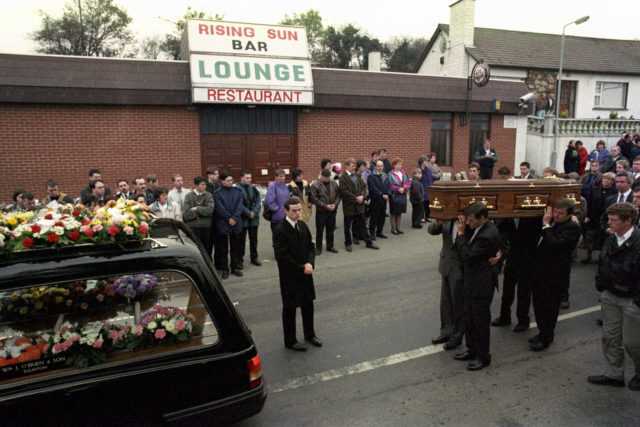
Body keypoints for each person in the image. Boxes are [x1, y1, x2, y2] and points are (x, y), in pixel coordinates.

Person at [587, 203, 640, 391]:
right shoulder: (611, 238)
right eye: (608, 218)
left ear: (628, 221)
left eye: (613, 220)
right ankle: (614, 374)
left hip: (632, 299)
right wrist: (601, 284)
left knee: (633, 342)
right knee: (610, 337)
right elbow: (603, 262)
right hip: (610, 295)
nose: (609, 223)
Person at [452, 202, 501, 370]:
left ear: (482, 218)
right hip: (471, 281)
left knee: (480, 322)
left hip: (481, 283)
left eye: (471, 220)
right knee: (469, 319)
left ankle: (483, 356)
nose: (468, 223)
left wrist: (460, 234)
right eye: (467, 220)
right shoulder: (478, 227)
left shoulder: (488, 234)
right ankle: (471, 350)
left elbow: (468, 255)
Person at [529, 199, 581, 351]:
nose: (556, 215)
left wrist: (545, 225)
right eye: (555, 212)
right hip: (540, 271)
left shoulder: (572, 228)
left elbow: (554, 243)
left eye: (561, 213)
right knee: (538, 304)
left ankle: (546, 336)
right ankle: (542, 332)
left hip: (555, 274)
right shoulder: (555, 223)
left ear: (570, 214)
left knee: (550, 307)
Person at [273, 197, 322, 352]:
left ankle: (310, 334)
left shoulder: (302, 226)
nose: (298, 213)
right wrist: (302, 267)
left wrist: (310, 263)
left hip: (306, 273)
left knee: (308, 305)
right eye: (294, 211)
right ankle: (290, 340)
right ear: (286, 211)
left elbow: (311, 247)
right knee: (290, 308)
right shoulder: (280, 230)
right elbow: (282, 256)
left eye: (299, 210)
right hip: (290, 276)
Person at [492, 216, 541, 332]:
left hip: (528, 258)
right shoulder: (508, 218)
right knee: (507, 288)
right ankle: (505, 316)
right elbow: (499, 230)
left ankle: (523, 320)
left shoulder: (532, 218)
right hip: (512, 256)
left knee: (524, 290)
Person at [428, 218, 465, 351]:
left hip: (461, 267)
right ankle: (446, 332)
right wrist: (437, 222)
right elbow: (432, 230)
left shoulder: (468, 219)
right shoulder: (447, 216)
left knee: (458, 303)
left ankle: (457, 335)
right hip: (446, 264)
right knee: (446, 302)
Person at [339, 158, 379, 252]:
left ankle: (368, 242)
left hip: (359, 205)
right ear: (347, 166)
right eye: (352, 166)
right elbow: (344, 192)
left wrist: (362, 196)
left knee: (363, 225)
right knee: (347, 226)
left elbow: (363, 187)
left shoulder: (357, 176)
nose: (354, 168)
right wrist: (357, 198)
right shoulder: (343, 178)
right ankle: (348, 244)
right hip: (349, 206)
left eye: (354, 166)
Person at [213, 172, 244, 278]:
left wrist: (234, 218)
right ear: (222, 181)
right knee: (223, 248)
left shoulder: (238, 191)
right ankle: (224, 268)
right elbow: (219, 208)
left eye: (231, 180)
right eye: (228, 180)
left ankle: (234, 267)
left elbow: (240, 206)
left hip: (236, 223)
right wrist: (228, 218)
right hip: (223, 223)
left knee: (235, 247)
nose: (230, 182)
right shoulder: (217, 193)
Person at [582, 172, 617, 263]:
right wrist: (587, 215)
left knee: (603, 237)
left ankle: (601, 256)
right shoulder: (594, 189)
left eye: (608, 179)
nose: (606, 180)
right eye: (604, 178)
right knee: (590, 236)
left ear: (612, 182)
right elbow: (589, 203)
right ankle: (588, 255)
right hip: (593, 216)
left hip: (606, 218)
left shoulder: (614, 192)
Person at [310, 169, 341, 255]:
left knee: (331, 229)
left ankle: (330, 246)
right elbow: (314, 199)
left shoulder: (334, 183)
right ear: (321, 176)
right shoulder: (315, 185)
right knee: (320, 230)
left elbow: (339, 195)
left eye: (329, 177)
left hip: (332, 210)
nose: (328, 179)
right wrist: (325, 206)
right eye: (326, 177)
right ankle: (318, 248)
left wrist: (335, 204)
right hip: (321, 211)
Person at [182, 176, 214, 259]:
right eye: (202, 185)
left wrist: (196, 209)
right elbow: (186, 214)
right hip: (193, 227)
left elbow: (210, 210)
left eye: (205, 185)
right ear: (196, 185)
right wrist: (202, 212)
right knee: (195, 250)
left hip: (206, 227)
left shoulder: (208, 196)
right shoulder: (189, 196)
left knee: (207, 250)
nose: (205, 186)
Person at [237, 170, 262, 267]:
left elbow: (259, 201)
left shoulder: (254, 189)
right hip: (243, 219)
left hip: (254, 219)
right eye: (247, 178)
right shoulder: (237, 189)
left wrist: (254, 213)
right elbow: (239, 204)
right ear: (241, 178)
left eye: (250, 178)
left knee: (254, 239)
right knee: (241, 240)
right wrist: (248, 213)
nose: (249, 180)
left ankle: (254, 258)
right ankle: (240, 260)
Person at [367, 160, 390, 239]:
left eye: (381, 166)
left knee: (382, 217)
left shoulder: (385, 175)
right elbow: (373, 188)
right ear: (375, 167)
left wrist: (388, 194)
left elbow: (388, 186)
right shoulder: (371, 176)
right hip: (375, 200)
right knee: (374, 217)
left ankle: (379, 232)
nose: (380, 168)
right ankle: (372, 233)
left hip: (384, 200)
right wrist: (382, 195)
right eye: (378, 166)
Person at [388, 158, 410, 234]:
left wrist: (404, 188)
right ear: (394, 165)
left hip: (402, 195)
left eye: (401, 165)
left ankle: (398, 228)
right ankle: (393, 229)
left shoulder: (403, 173)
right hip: (395, 195)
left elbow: (408, 182)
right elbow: (390, 184)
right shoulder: (390, 174)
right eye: (398, 165)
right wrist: (398, 189)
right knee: (394, 212)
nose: (400, 166)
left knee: (399, 212)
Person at [419, 156, 434, 222]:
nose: (427, 162)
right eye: (425, 161)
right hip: (422, 189)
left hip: (429, 189)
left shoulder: (428, 169)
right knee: (422, 204)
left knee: (428, 204)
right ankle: (421, 217)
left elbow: (431, 178)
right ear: (422, 162)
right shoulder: (418, 169)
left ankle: (427, 216)